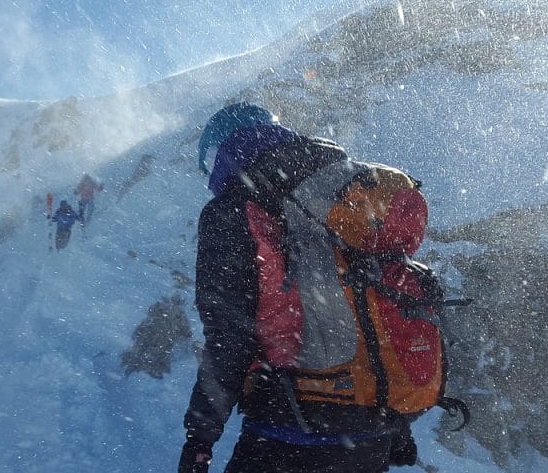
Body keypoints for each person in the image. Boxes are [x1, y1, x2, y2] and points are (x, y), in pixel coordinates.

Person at [179, 103, 417, 473]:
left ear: (224, 152)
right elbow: (374, 308)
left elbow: (229, 337)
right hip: (370, 435)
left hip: (289, 428)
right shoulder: (340, 193)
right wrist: (396, 425)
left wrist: (199, 438)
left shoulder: (233, 212)